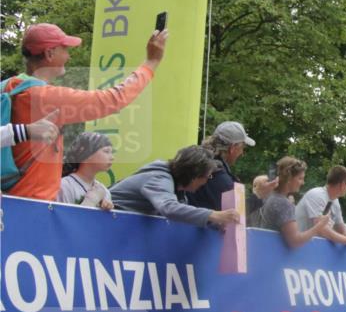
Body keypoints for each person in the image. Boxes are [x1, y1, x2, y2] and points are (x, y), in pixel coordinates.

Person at [3, 23, 166, 199]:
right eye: (65, 49)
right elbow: (112, 100)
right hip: (32, 203)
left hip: (11, 199)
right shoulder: (43, 96)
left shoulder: (8, 87)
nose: (69, 56)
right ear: (49, 53)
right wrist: (151, 62)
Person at [109, 146, 240, 228]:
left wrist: (214, 223)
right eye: (207, 176)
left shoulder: (176, 187)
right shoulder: (159, 178)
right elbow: (169, 208)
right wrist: (213, 215)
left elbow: (183, 215)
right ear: (194, 175)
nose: (206, 182)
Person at [260, 156, 329, 248]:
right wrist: (319, 226)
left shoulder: (272, 197)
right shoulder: (283, 203)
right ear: (289, 179)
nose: (303, 182)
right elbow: (295, 241)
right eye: (300, 178)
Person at [295, 165, 346, 246]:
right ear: (342, 184)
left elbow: (342, 230)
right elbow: (321, 229)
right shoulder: (316, 195)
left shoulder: (335, 201)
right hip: (298, 249)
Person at [188, 121, 256, 210]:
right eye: (242, 148)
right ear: (232, 148)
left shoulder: (196, 161)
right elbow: (236, 213)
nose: (242, 153)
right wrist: (258, 195)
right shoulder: (218, 174)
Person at [58, 132, 114, 210]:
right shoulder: (65, 186)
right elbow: (63, 219)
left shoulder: (104, 191)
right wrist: (91, 201)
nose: (112, 157)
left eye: (112, 152)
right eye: (106, 151)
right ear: (85, 153)